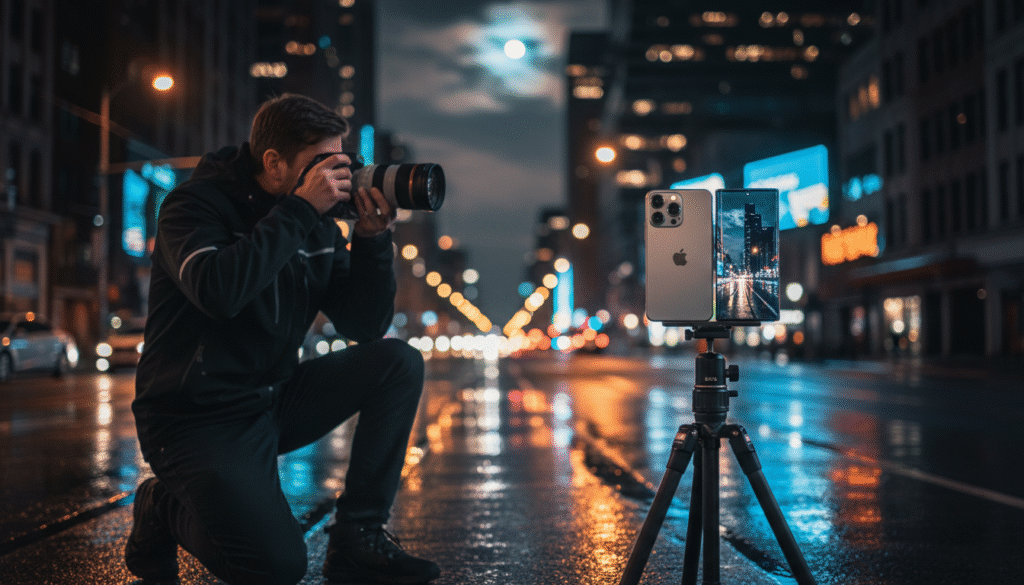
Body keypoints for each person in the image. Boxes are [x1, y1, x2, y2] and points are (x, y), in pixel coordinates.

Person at [126, 93, 440, 585]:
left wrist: (374, 242)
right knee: (276, 567)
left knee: (397, 362)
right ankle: (162, 506)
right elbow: (219, 291)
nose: (334, 178)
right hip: (194, 417)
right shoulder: (192, 206)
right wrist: (299, 210)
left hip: (272, 400)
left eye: (341, 163)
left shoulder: (317, 225)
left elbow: (363, 326)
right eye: (321, 165)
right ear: (273, 164)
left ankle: (359, 536)